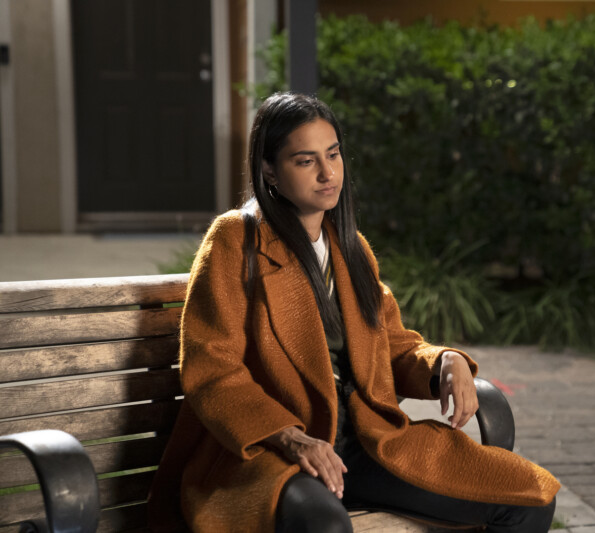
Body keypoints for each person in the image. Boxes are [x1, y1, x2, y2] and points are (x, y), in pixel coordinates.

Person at [148, 92, 559, 533]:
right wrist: (290, 437)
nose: (328, 173)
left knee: (530, 499)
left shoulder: (350, 248)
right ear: (269, 170)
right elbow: (213, 368)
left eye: (333, 154)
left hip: (364, 443)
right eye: (305, 161)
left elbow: (393, 344)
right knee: (324, 524)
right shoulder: (236, 240)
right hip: (270, 452)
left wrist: (444, 361)